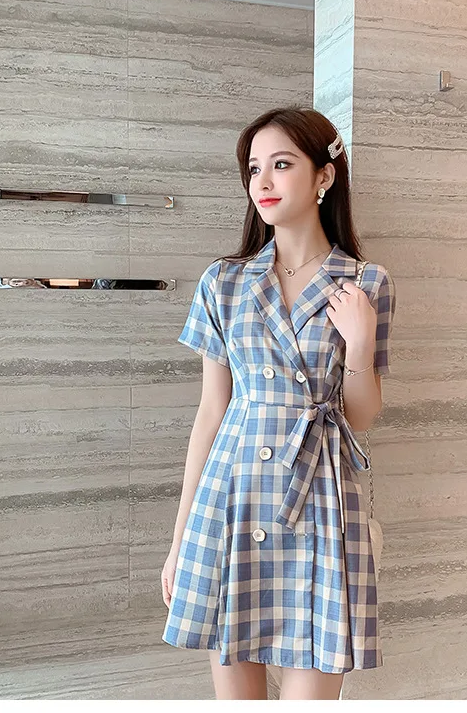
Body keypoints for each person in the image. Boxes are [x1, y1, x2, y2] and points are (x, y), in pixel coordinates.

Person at [160, 106, 396, 700]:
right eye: (253, 168)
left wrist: (360, 344)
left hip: (320, 505)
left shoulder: (365, 283)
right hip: (232, 504)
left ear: (324, 176)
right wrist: (180, 538)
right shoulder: (223, 282)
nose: (262, 181)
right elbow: (211, 413)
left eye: (282, 165)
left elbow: (361, 416)